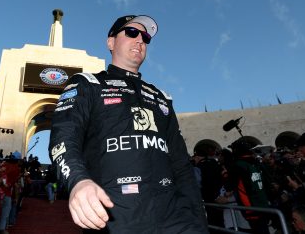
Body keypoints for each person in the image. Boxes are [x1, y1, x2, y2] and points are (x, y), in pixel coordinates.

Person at [49, 15, 208, 233]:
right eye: (131, 32)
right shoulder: (87, 84)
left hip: (176, 219)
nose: (140, 40)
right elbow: (63, 138)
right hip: (114, 216)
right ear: (111, 42)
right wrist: (78, 181)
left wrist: (198, 220)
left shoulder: (162, 97)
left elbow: (181, 164)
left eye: (145, 37)